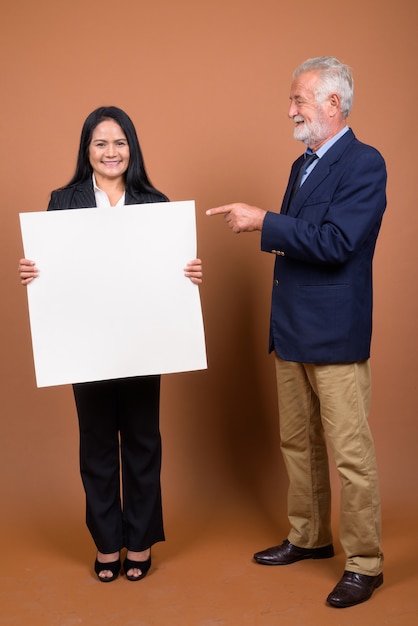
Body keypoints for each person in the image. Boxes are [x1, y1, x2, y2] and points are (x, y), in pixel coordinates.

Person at [206, 57, 386, 608]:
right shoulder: (301, 164)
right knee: (298, 444)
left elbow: (335, 243)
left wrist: (264, 220)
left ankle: (366, 564)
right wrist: (275, 227)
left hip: (334, 335)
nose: (291, 111)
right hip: (291, 329)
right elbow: (299, 242)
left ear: (333, 104)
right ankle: (309, 537)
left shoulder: (364, 163)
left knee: (350, 452)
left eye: (299, 101)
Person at [19, 106, 203, 583]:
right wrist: (35, 273)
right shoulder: (63, 201)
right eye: (100, 143)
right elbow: (56, 272)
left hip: (144, 340)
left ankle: (138, 541)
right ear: (87, 151)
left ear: (132, 148)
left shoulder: (154, 201)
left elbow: (167, 273)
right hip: (87, 343)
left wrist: (188, 274)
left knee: (142, 442)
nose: (111, 152)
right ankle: (106, 543)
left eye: (119, 142)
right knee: (97, 444)